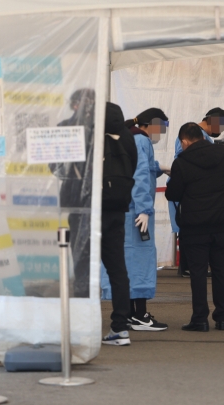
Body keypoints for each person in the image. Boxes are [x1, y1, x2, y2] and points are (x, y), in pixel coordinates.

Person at [102, 107, 169, 331]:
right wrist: (144, 209)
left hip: (125, 208)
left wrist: (159, 167)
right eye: (161, 126)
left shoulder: (129, 136)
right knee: (140, 262)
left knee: (126, 262)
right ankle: (139, 314)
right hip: (136, 212)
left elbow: (142, 168)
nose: (162, 132)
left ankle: (130, 313)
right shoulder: (141, 140)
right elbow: (139, 174)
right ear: (150, 124)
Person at [165, 122, 224, 332]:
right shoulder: (223, 155)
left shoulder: (182, 162)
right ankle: (222, 318)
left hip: (195, 227)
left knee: (198, 273)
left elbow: (173, 194)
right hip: (221, 223)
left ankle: (200, 319)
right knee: (222, 271)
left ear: (185, 141)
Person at [167, 107, 224, 277]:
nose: (222, 130)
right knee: (189, 231)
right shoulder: (192, 136)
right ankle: (187, 267)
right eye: (222, 125)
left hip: (197, 196)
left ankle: (192, 267)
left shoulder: (201, 137)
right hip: (192, 193)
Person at [49, 88, 95, 297]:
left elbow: (54, 166)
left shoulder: (98, 128)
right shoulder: (66, 127)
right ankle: (82, 289)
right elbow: (54, 165)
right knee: (79, 244)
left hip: (92, 198)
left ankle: (86, 288)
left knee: (89, 246)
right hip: (79, 198)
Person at [101, 102, 138, 346]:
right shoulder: (127, 137)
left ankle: (81, 324)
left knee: (83, 269)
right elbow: (133, 167)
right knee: (117, 269)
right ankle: (120, 326)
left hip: (92, 208)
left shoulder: (91, 134)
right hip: (117, 208)